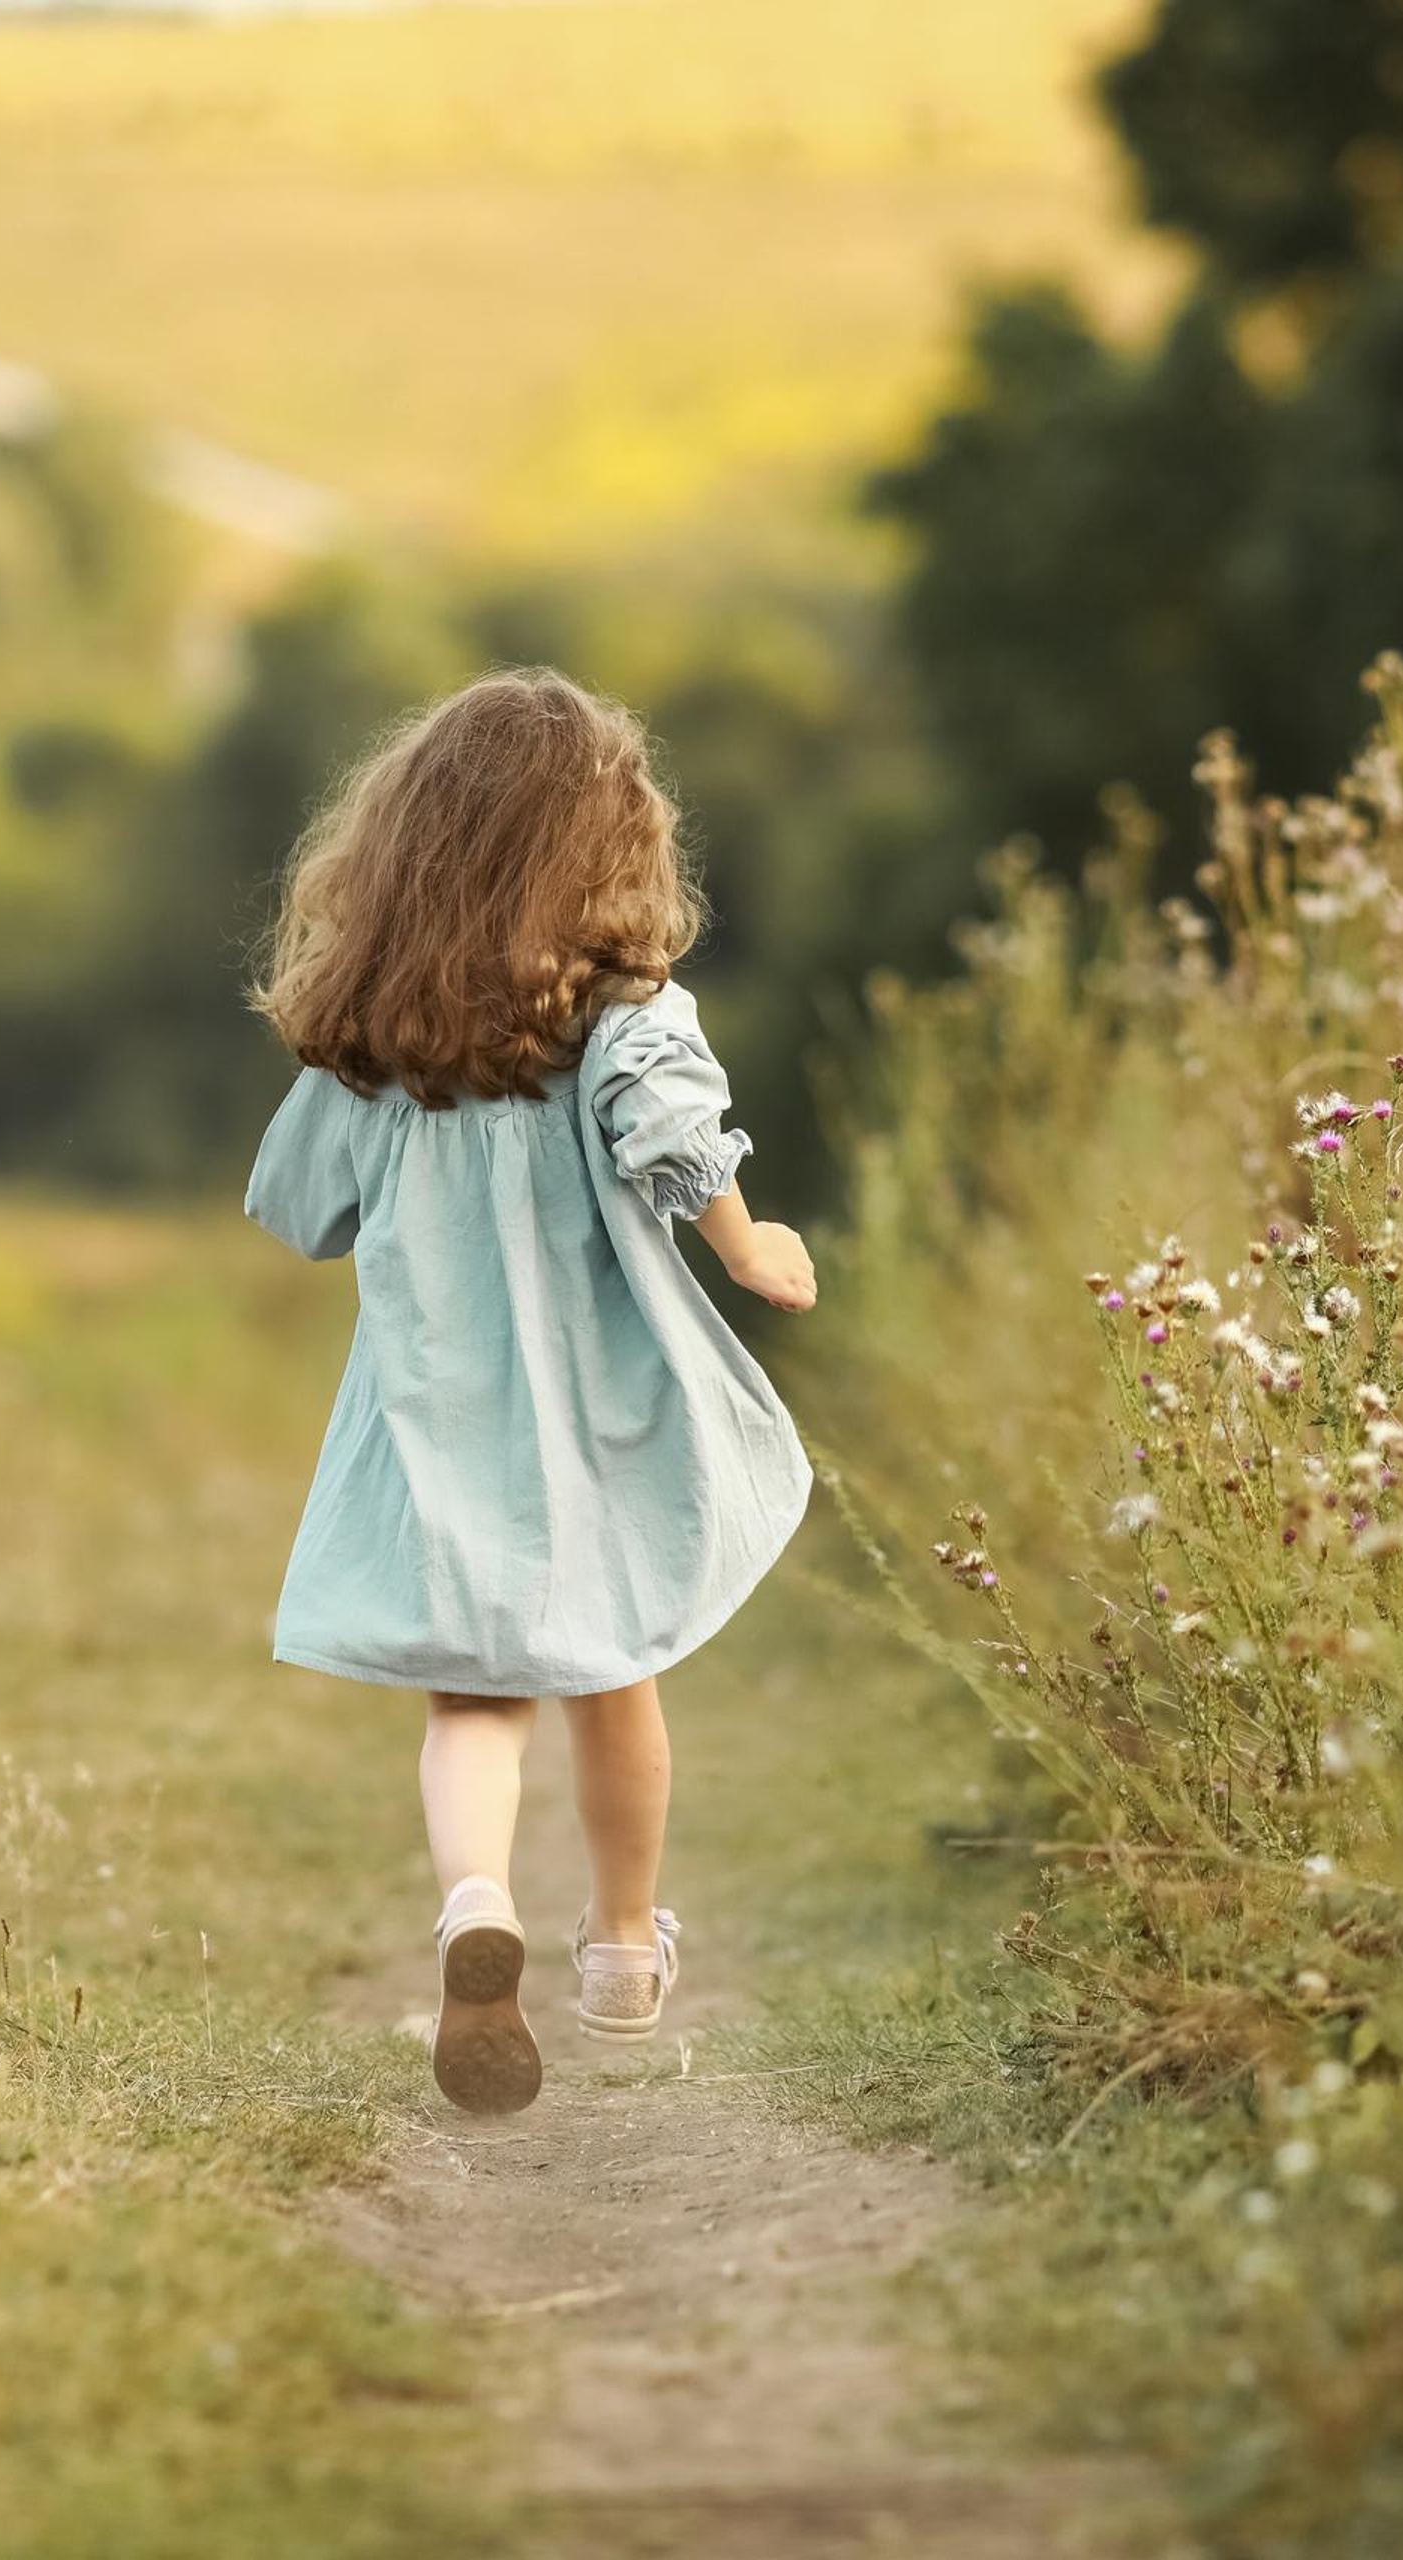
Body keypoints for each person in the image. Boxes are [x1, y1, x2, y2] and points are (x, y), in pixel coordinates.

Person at [243, 669, 815, 2114]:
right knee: (618, 1677)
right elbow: (676, 1137)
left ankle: (475, 1900)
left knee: (472, 1702)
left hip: (440, 1419)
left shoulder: (372, 1052)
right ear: (611, 853)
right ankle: (622, 1945)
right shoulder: (628, 1018)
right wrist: (754, 1246)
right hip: (600, 1415)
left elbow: (299, 1212)